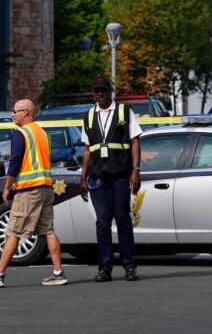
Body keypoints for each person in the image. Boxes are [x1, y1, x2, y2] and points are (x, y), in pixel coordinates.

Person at [0, 99, 67, 287]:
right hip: (46, 188)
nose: (12, 115)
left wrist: (7, 187)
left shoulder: (20, 134)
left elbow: (15, 162)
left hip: (28, 190)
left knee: (13, 232)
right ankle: (58, 273)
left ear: (25, 112)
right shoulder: (42, 133)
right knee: (48, 231)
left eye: (15, 111)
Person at [80, 76, 142, 282]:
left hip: (120, 175)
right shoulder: (88, 116)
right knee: (102, 222)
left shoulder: (124, 112)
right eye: (96, 91)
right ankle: (105, 268)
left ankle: (129, 266)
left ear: (109, 91)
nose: (100, 94)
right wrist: (83, 177)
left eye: (103, 90)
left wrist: (136, 170)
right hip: (98, 178)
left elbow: (134, 142)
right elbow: (88, 149)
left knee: (123, 220)